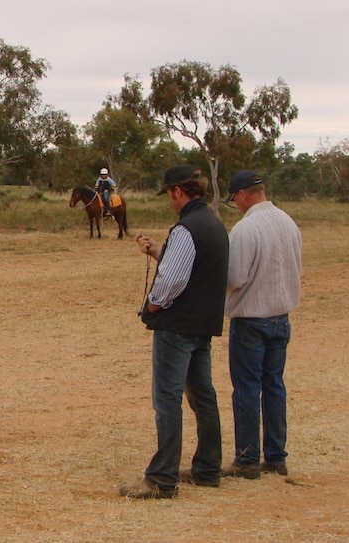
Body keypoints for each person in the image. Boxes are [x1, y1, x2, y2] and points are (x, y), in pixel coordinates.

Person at [120, 164, 228, 499]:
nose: (170, 200)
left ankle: (162, 479)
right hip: (202, 326)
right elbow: (191, 267)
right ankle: (208, 468)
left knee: (167, 401)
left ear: (178, 192)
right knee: (203, 397)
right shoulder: (215, 225)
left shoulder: (185, 229)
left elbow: (173, 279)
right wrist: (157, 251)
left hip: (176, 327)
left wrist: (152, 305)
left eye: (169, 194)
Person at [221, 170, 302, 480]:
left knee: (246, 390)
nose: (236, 205)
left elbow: (234, 277)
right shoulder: (288, 223)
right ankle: (276, 456)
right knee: (274, 387)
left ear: (242, 195)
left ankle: (246, 459)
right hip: (281, 318)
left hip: (251, 321)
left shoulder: (245, 229)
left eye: (235, 200)